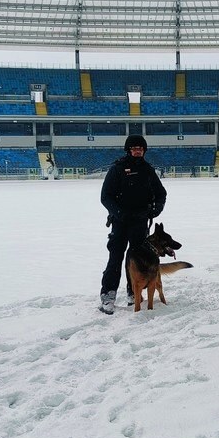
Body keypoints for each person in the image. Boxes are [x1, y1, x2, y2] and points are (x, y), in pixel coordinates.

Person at [99, 134, 167, 314]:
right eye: (134, 148)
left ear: (144, 151)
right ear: (128, 150)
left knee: (137, 260)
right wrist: (119, 213)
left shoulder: (148, 170)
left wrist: (156, 209)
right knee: (115, 258)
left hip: (140, 222)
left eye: (140, 148)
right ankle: (108, 295)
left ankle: (133, 292)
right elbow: (105, 196)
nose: (137, 151)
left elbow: (161, 194)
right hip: (120, 222)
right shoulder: (118, 169)